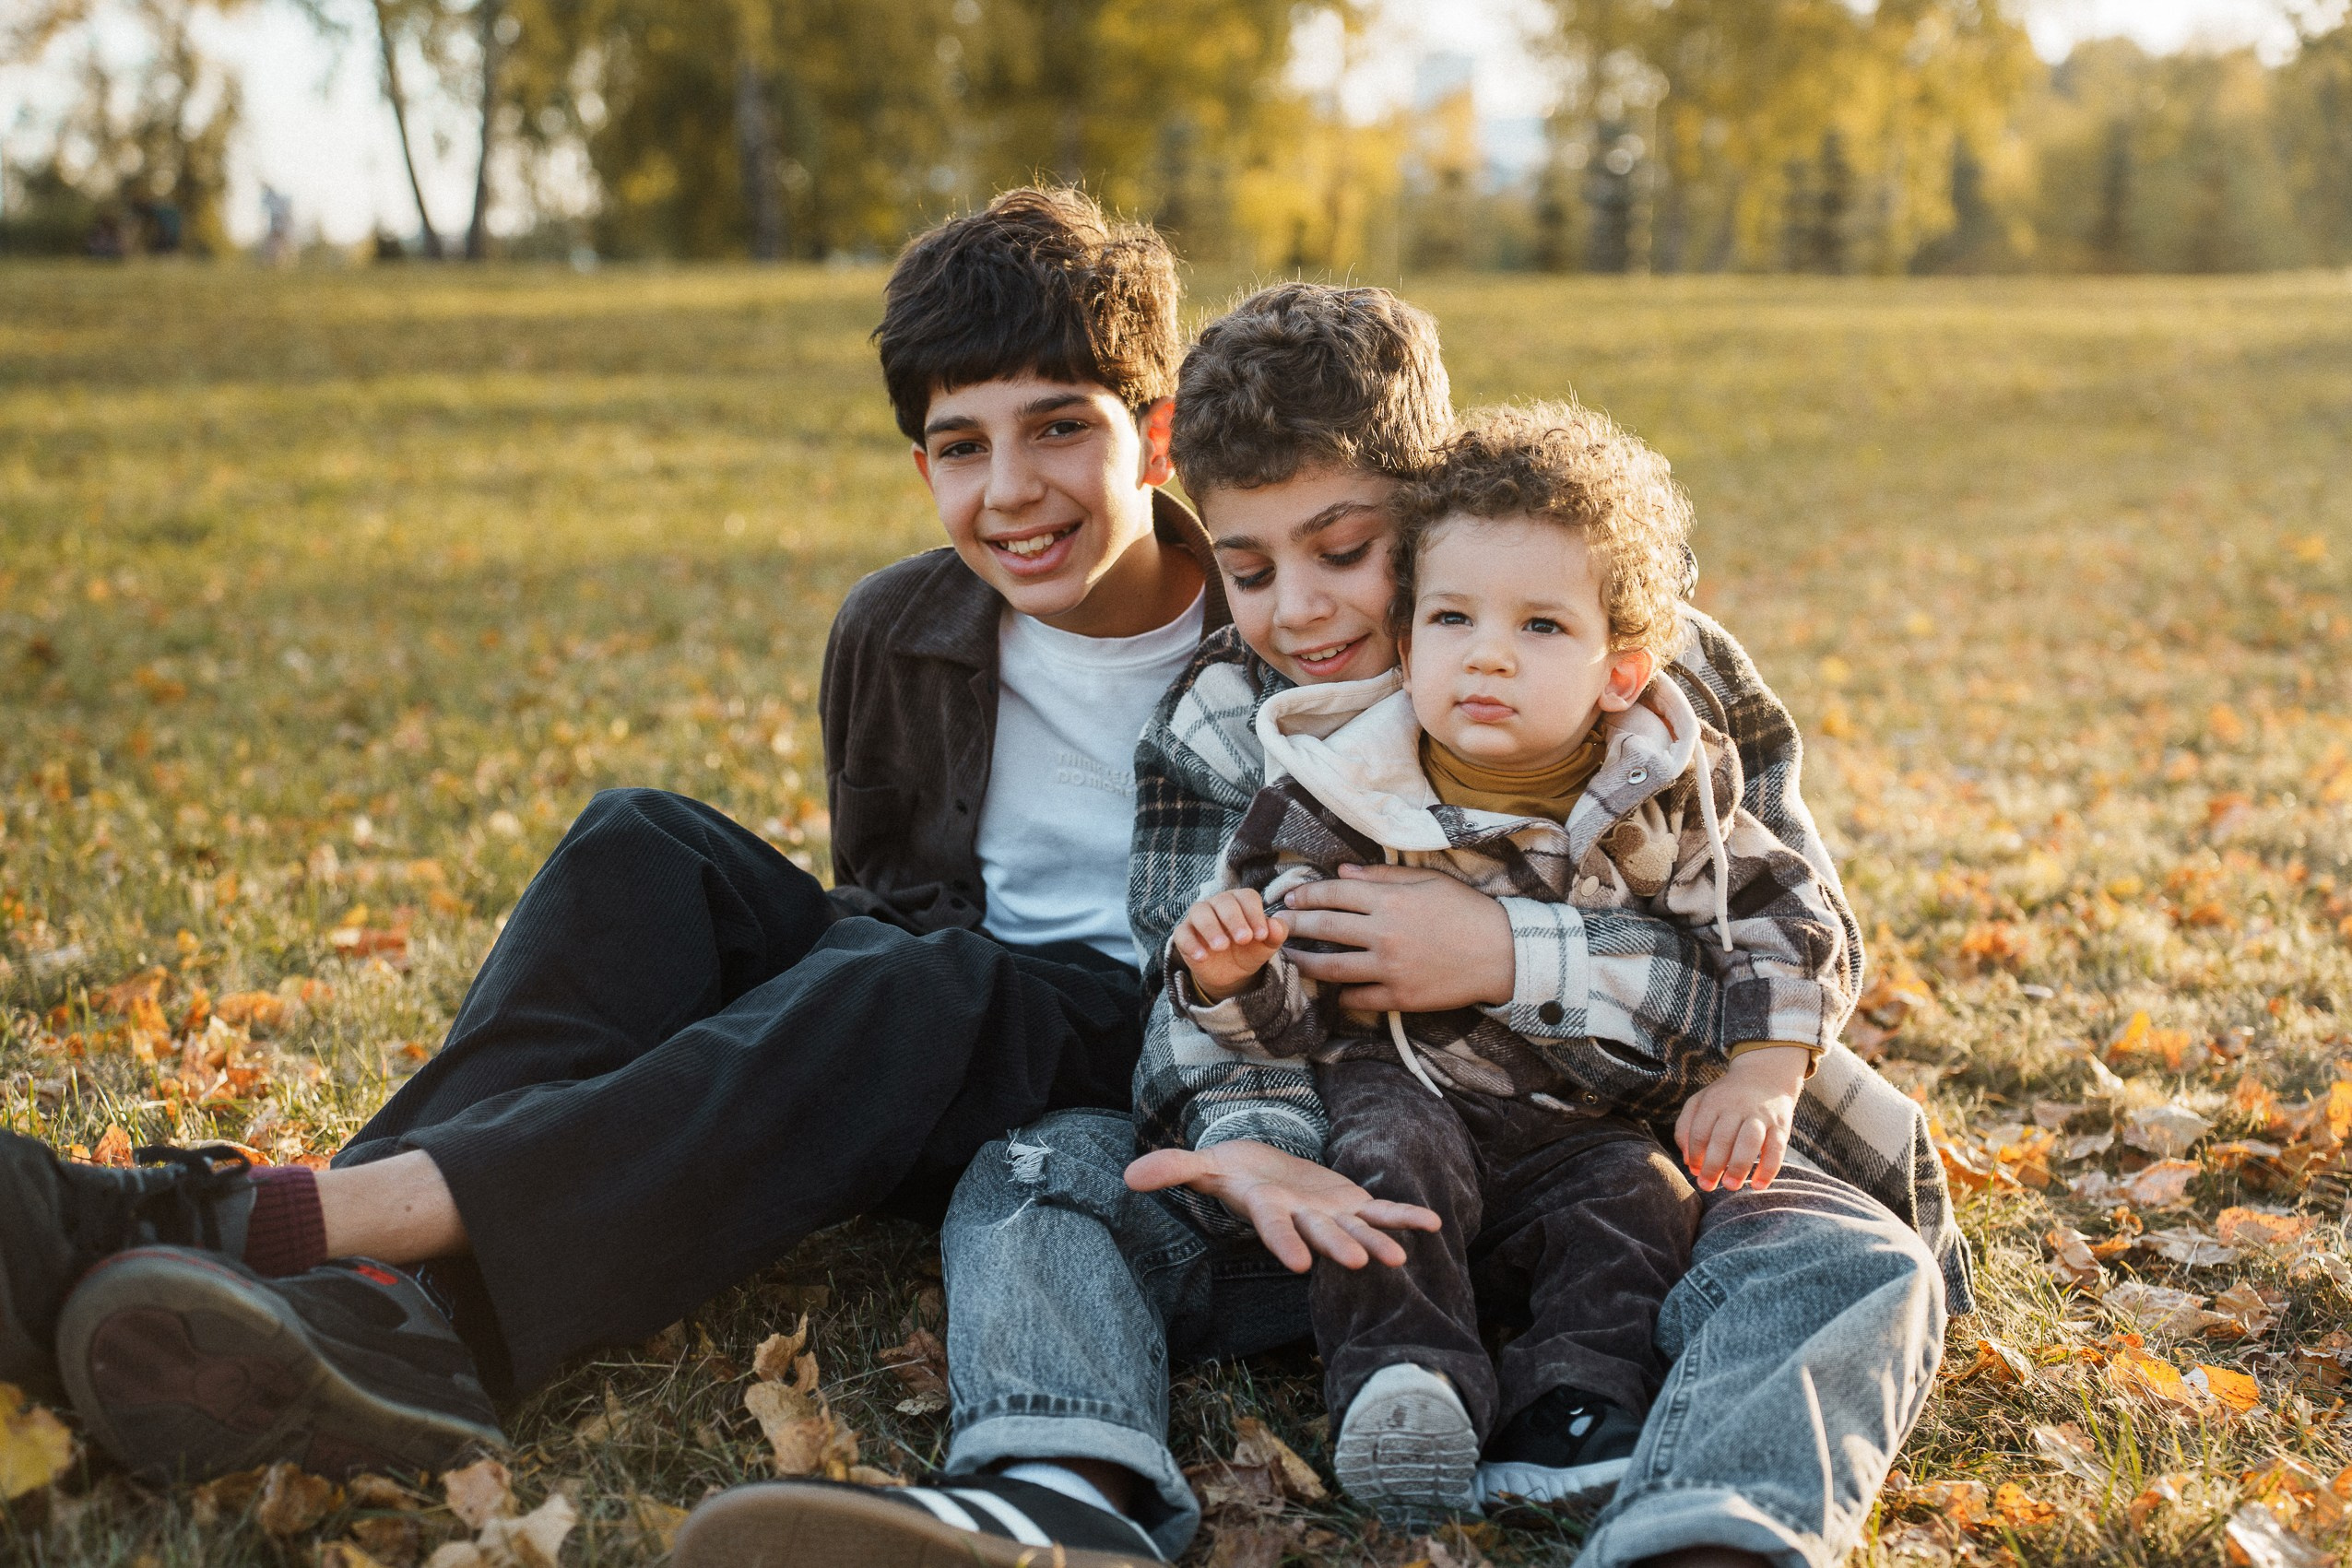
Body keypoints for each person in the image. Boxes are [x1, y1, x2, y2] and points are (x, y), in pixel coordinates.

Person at [0, 188, 1428, 1493]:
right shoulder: (897, 628)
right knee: (645, 845)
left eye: (1059, 427)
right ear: (920, 463)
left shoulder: (1282, 617)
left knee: (915, 981)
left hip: (1154, 1052)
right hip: (931, 1013)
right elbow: (890, 892)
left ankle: (253, 1223)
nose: (1009, 489)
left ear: (1155, 435)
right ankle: (373, 1302)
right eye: (960, 445)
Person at [675, 282, 1969, 1568]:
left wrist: (1507, 951)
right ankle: (1055, 1489)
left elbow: (1781, 939)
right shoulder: (1220, 716)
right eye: (1247, 569)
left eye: (1344, 553)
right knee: (1036, 1175)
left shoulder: (1645, 658)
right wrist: (1256, 1150)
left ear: (1434, 501)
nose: (1297, 610)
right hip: (1349, 1198)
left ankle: (1706, 1537)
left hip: (1633, 1173)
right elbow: (1193, 974)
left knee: (1845, 1258)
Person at [1167, 399, 1861, 1515]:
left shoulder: (1663, 788)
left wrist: (1763, 1072)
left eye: (1539, 627)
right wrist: (1235, 975)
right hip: (1405, 1085)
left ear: (1619, 673)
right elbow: (1297, 999)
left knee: (1639, 1203)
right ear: (1408, 646)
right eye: (1452, 619)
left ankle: (1573, 1401)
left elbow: (1781, 917)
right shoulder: (1345, 790)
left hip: (1580, 1117)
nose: (1487, 654)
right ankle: (1405, 1383)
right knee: (1382, 1165)